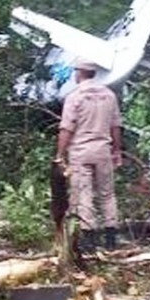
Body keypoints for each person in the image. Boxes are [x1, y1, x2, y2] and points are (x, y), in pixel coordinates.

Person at [54, 58, 122, 252]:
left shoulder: (75, 97)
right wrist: (116, 150)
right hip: (103, 150)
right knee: (107, 194)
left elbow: (66, 128)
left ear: (79, 73)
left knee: (83, 194)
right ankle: (111, 239)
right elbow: (116, 126)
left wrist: (60, 154)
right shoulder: (109, 95)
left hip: (81, 152)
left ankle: (89, 240)